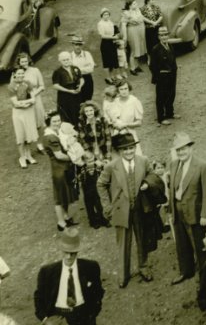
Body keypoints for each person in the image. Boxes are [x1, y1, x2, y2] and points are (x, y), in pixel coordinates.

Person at [97, 132, 153, 287]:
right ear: (120, 151)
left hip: (140, 208)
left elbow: (152, 175)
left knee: (142, 239)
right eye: (125, 149)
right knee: (123, 243)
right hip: (121, 210)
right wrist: (107, 206)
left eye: (131, 148)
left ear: (135, 148)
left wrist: (147, 183)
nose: (129, 152)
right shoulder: (111, 166)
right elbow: (100, 184)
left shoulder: (143, 161)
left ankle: (144, 267)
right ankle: (124, 274)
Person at [169, 132, 206, 285]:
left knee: (200, 246)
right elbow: (172, 189)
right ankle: (186, 270)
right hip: (178, 210)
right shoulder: (174, 164)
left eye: (184, 149)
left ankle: (205, 275)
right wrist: (172, 209)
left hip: (196, 214)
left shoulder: (202, 166)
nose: (181, 152)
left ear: (191, 148)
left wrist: (205, 215)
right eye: (178, 150)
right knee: (182, 244)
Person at [34, 228, 104, 325]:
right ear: (61, 250)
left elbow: (98, 291)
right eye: (66, 252)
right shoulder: (47, 272)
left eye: (72, 253)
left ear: (78, 251)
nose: (68, 257)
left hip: (83, 315)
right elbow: (38, 298)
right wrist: (46, 319)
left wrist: (93, 312)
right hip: (58, 317)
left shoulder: (91, 268)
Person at [43, 111, 79, 231]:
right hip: (59, 169)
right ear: (49, 122)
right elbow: (59, 155)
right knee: (59, 196)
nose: (57, 123)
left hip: (64, 168)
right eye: (54, 121)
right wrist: (74, 157)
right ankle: (61, 222)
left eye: (59, 120)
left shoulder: (58, 133)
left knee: (65, 195)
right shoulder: (50, 137)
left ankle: (66, 216)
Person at [9, 67, 39, 168]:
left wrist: (25, 103)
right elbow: (15, 103)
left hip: (28, 111)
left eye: (22, 73)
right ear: (14, 74)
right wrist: (27, 102)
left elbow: (33, 98)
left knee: (28, 134)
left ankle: (28, 155)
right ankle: (22, 157)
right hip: (19, 113)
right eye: (19, 73)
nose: (21, 75)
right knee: (21, 135)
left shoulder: (27, 83)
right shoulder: (11, 86)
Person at [149, 26, 178, 126]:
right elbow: (152, 65)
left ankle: (170, 113)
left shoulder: (170, 46)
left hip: (172, 75)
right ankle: (161, 118)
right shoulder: (156, 49)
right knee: (161, 97)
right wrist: (158, 75)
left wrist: (174, 70)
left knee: (171, 94)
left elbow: (173, 59)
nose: (164, 37)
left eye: (166, 35)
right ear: (158, 37)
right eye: (162, 35)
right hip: (162, 76)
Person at [16, 52, 47, 149]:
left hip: (36, 98)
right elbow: (13, 88)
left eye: (26, 61)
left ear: (29, 60)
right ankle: (27, 146)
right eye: (22, 62)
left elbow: (42, 86)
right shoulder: (16, 73)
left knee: (39, 121)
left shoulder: (35, 70)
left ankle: (39, 144)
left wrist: (34, 94)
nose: (24, 63)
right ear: (19, 63)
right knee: (28, 122)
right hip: (24, 100)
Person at [111, 80, 144, 152]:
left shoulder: (134, 101)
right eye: (121, 89)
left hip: (130, 133)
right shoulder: (115, 101)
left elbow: (139, 122)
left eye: (126, 88)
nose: (124, 91)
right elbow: (112, 118)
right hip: (117, 133)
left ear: (129, 89)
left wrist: (125, 125)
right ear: (118, 91)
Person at [78, 151, 108, 229]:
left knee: (99, 205)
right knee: (89, 206)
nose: (91, 163)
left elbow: (104, 171)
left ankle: (102, 219)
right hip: (87, 191)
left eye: (93, 160)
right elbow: (79, 178)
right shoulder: (82, 169)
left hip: (97, 190)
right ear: (84, 161)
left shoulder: (97, 167)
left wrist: (102, 164)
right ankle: (93, 221)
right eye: (89, 161)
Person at [52, 51, 83, 125]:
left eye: (67, 59)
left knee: (78, 112)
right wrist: (68, 91)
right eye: (64, 60)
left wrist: (80, 86)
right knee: (67, 115)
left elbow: (81, 78)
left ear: (70, 59)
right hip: (65, 97)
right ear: (60, 61)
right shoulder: (57, 72)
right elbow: (55, 85)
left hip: (76, 95)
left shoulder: (75, 68)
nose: (66, 61)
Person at [120, 0, 147, 75]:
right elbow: (123, 25)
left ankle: (137, 66)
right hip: (132, 31)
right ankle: (132, 68)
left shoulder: (138, 11)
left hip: (140, 31)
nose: (136, 5)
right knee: (134, 50)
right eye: (134, 4)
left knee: (139, 48)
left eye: (136, 3)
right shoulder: (126, 13)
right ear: (130, 5)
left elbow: (142, 18)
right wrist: (125, 36)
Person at [69, 35, 95, 103]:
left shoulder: (87, 54)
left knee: (88, 99)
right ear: (72, 45)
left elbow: (91, 68)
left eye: (80, 45)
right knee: (77, 100)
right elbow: (70, 70)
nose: (78, 47)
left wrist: (77, 70)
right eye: (76, 45)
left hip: (87, 79)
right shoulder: (70, 56)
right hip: (75, 80)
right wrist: (84, 69)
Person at [96, 8, 119, 84]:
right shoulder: (100, 23)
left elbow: (114, 31)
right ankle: (107, 77)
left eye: (108, 14)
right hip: (105, 44)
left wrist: (115, 37)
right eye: (105, 14)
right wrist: (113, 37)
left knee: (113, 61)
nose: (106, 16)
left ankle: (112, 76)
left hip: (112, 43)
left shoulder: (110, 22)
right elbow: (102, 36)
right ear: (101, 15)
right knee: (107, 62)